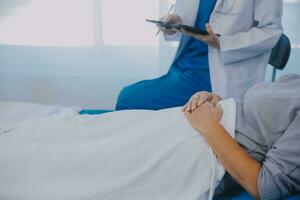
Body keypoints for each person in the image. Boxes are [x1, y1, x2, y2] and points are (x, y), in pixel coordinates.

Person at [1, 74, 299, 200]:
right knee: (83, 131)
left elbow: (265, 187)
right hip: (196, 125)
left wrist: (209, 126)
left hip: (202, 151)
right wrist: (212, 98)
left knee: (81, 160)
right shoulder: (294, 80)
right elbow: (257, 115)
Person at [115, 0, 283, 110]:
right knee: (133, 105)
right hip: (182, 68)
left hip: (213, 79)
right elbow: (190, 23)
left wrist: (222, 43)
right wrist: (174, 24)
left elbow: (270, 32)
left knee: (128, 98)